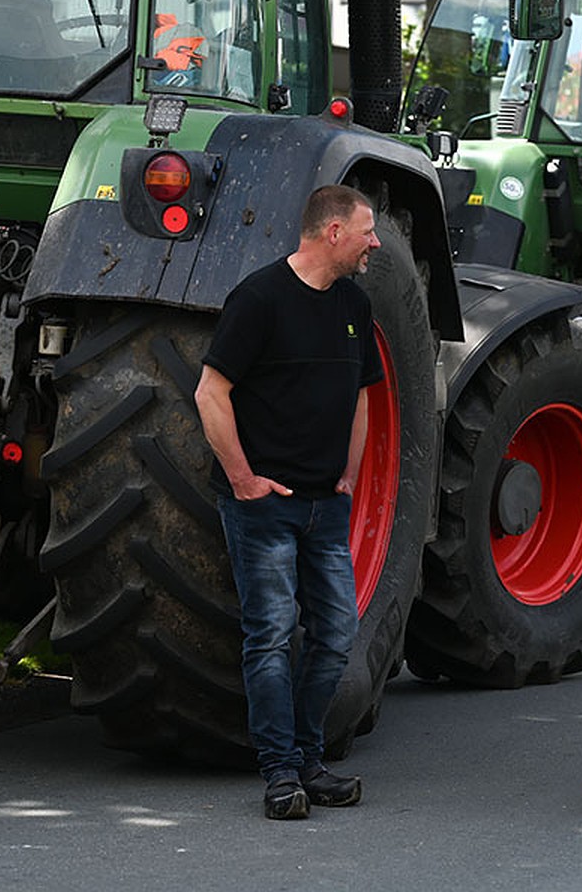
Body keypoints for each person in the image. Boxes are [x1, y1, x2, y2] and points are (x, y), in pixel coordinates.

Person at [193, 184, 382, 821]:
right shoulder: (259, 298)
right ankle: (279, 773)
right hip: (264, 506)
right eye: (367, 230)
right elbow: (209, 393)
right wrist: (244, 481)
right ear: (332, 232)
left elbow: (362, 395)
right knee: (271, 636)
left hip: (325, 506)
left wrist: (350, 475)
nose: (374, 242)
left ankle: (307, 759)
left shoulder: (355, 304)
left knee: (335, 635)